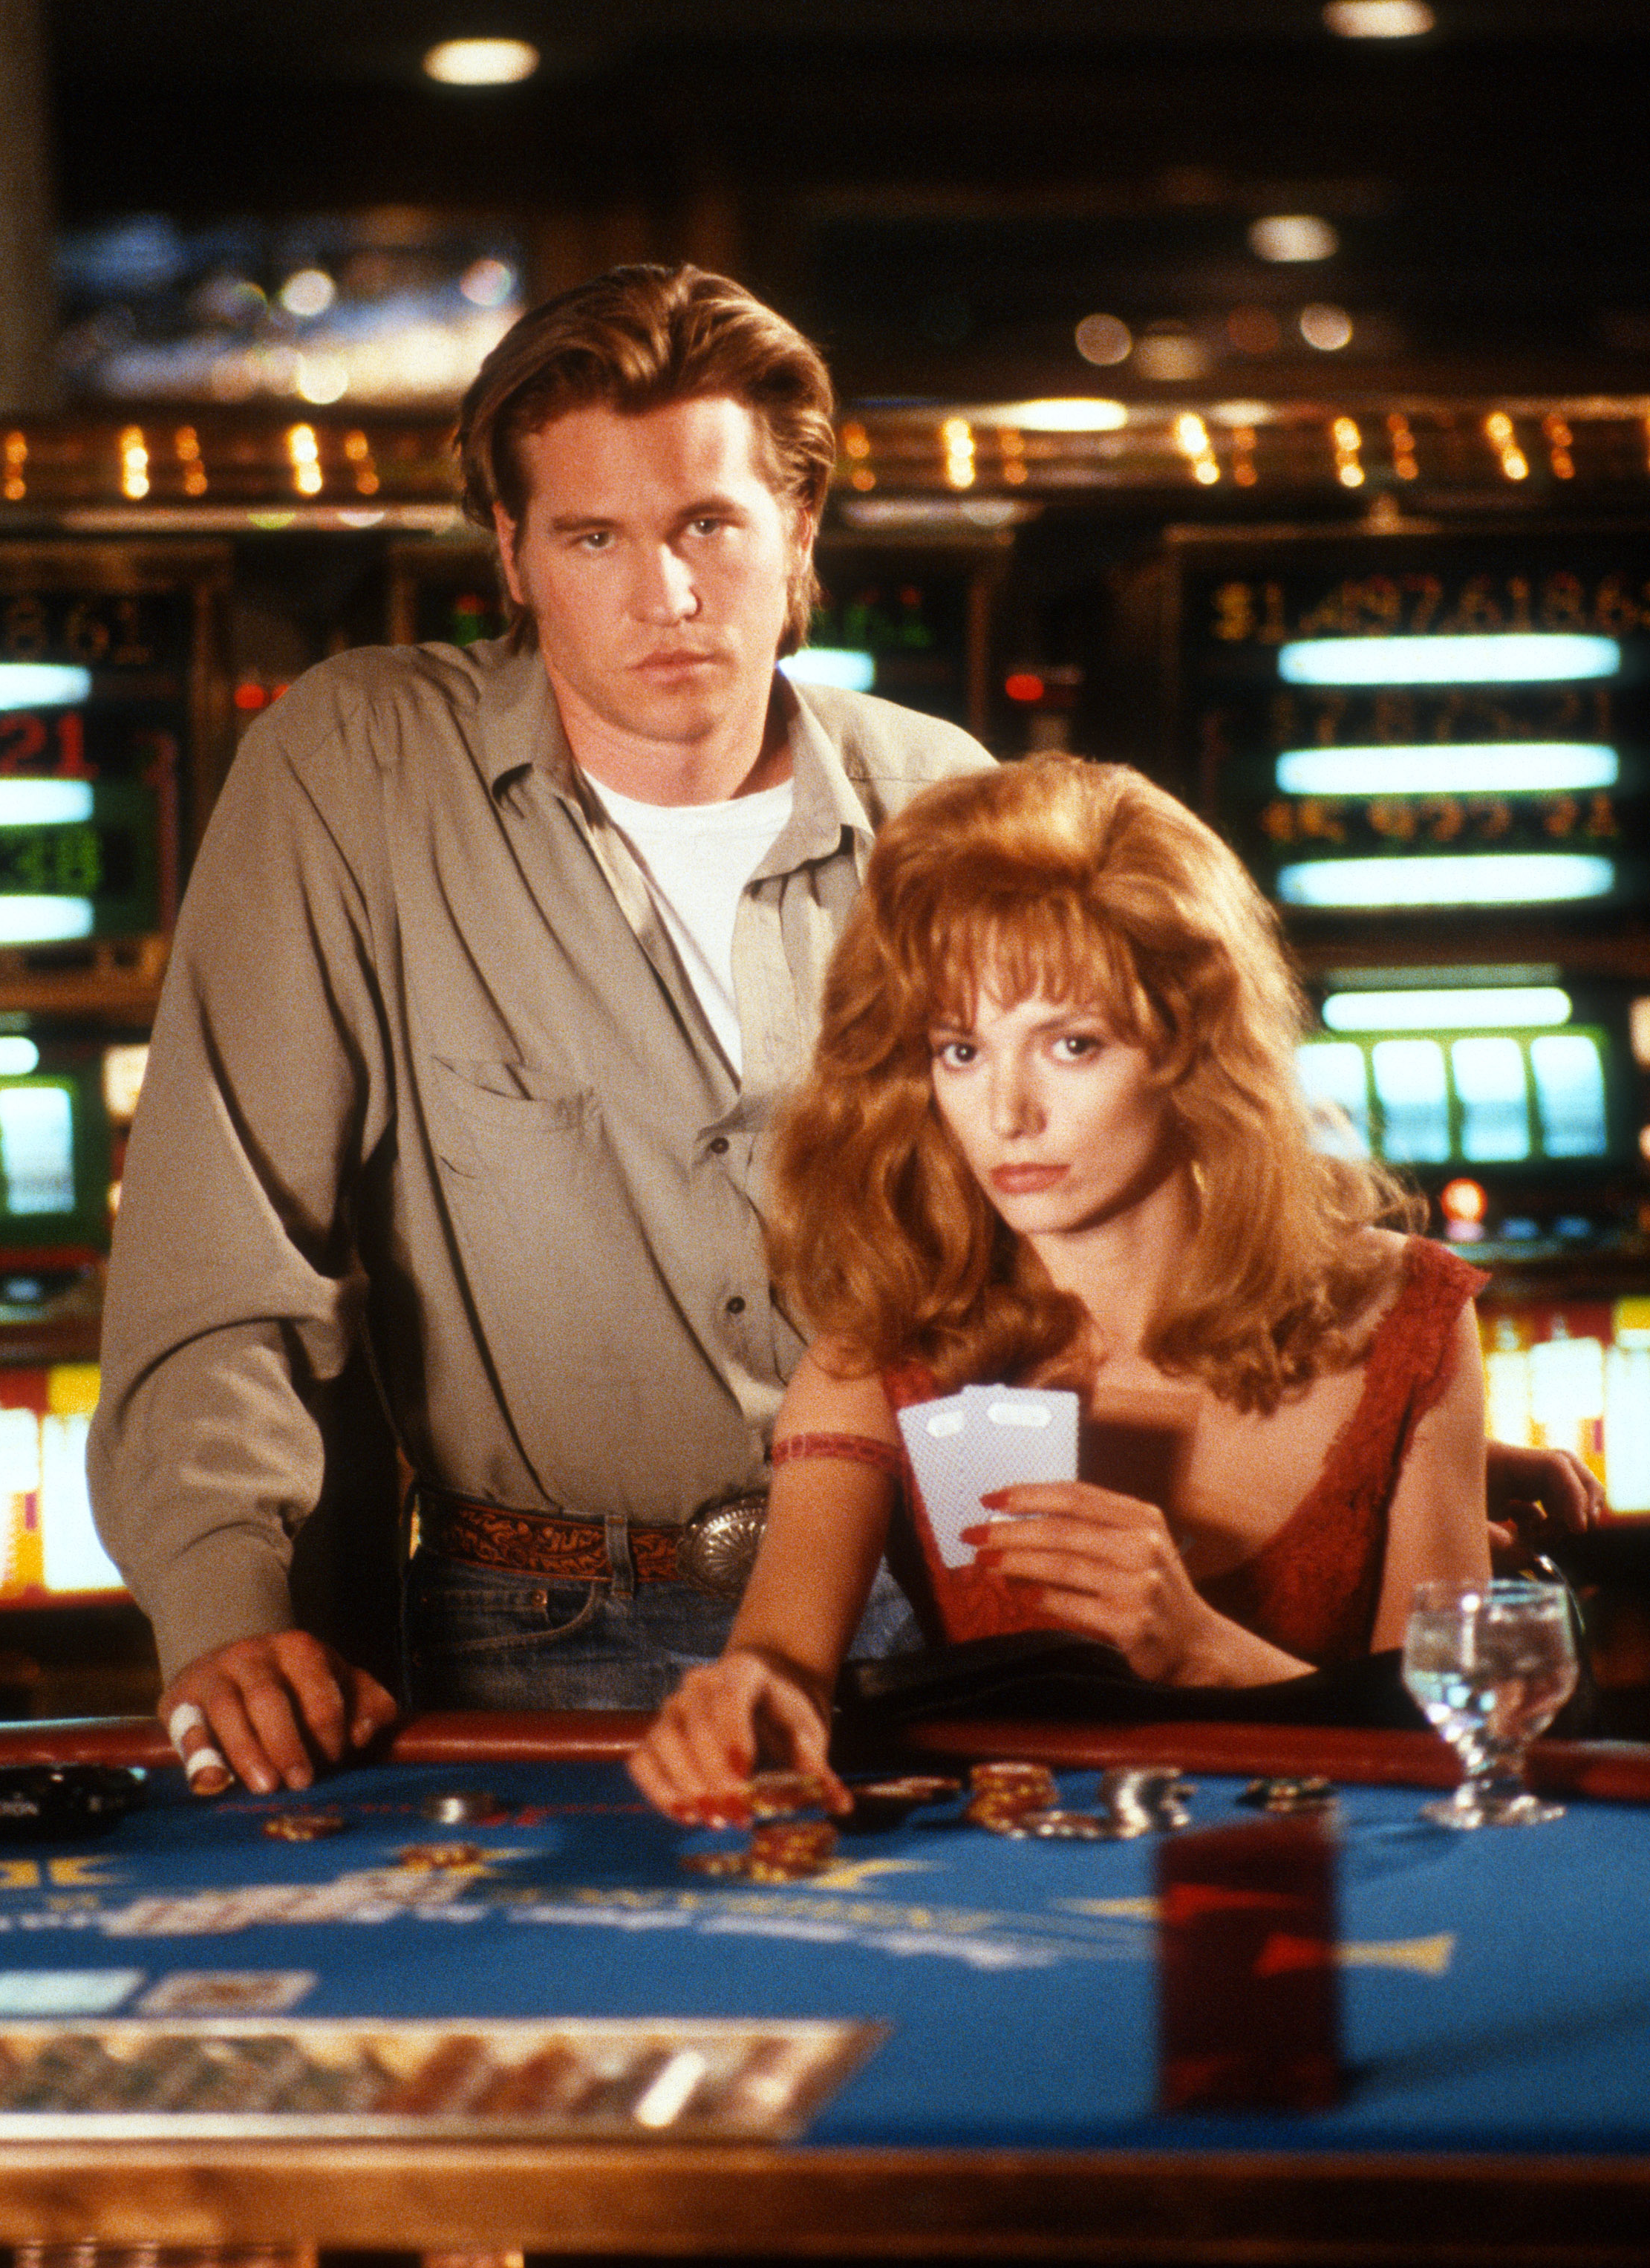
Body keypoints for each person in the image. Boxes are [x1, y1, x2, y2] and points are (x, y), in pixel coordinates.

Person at [87, 262, 991, 1795]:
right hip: (545, 1626)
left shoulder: (948, 798)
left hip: (933, 1601)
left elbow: (1117, 1230)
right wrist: (223, 1611)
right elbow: (222, 1254)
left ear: (799, 530)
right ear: (511, 553)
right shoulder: (358, 768)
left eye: (710, 525)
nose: (668, 596)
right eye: (594, 538)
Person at [630, 752, 1507, 1818]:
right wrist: (747, 1702)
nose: (1008, 1113)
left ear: (1191, 1045)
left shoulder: (1406, 1313)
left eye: (1072, 1045)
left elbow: (1463, 1753)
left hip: (1328, 1882)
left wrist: (1203, 1652)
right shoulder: (886, 1352)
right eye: (961, 1051)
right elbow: (779, 1657)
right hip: (1022, 1883)